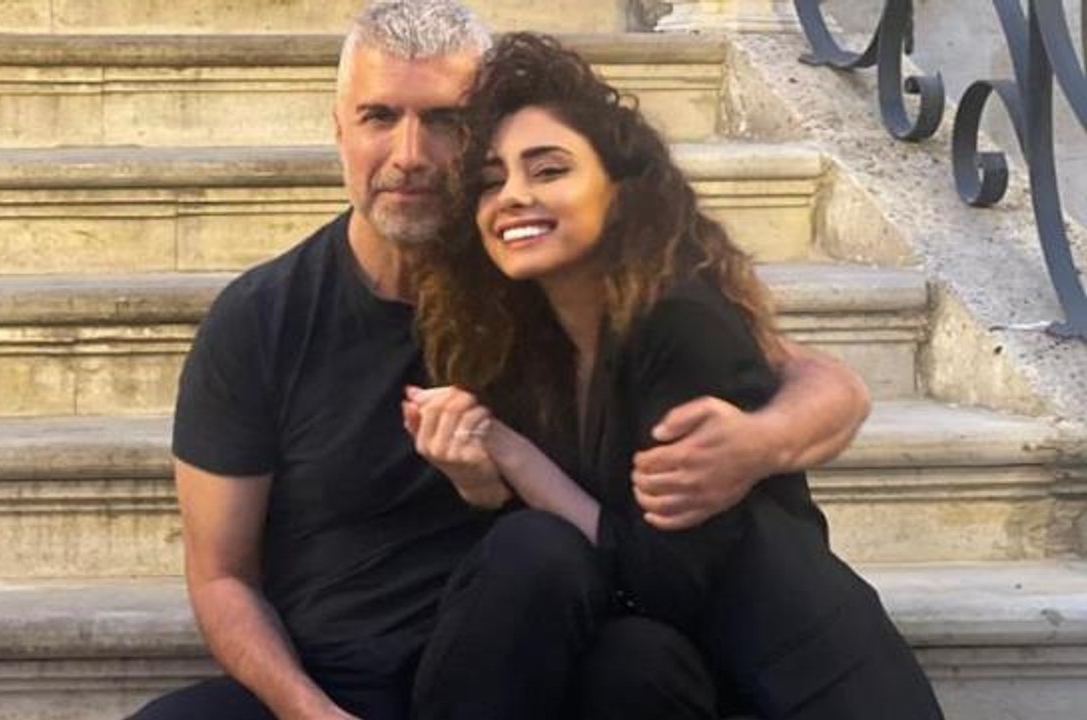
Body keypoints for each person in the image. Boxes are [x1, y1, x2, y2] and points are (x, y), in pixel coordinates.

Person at [129, 2, 872, 718]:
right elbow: (221, 575)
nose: (410, 156)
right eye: (380, 117)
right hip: (339, 677)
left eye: (445, 121)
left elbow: (822, 383)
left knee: (574, 589)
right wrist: (308, 711)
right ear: (339, 130)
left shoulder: (543, 274)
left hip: (535, 657)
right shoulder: (262, 317)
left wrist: (756, 444)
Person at [404, 32, 943, 719]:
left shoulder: (681, 323)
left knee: (610, 637)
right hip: (685, 669)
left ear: (622, 193)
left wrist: (511, 455)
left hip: (807, 690)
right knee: (620, 657)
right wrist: (483, 471)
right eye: (491, 181)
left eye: (548, 170)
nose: (512, 196)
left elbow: (658, 579)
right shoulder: (527, 347)